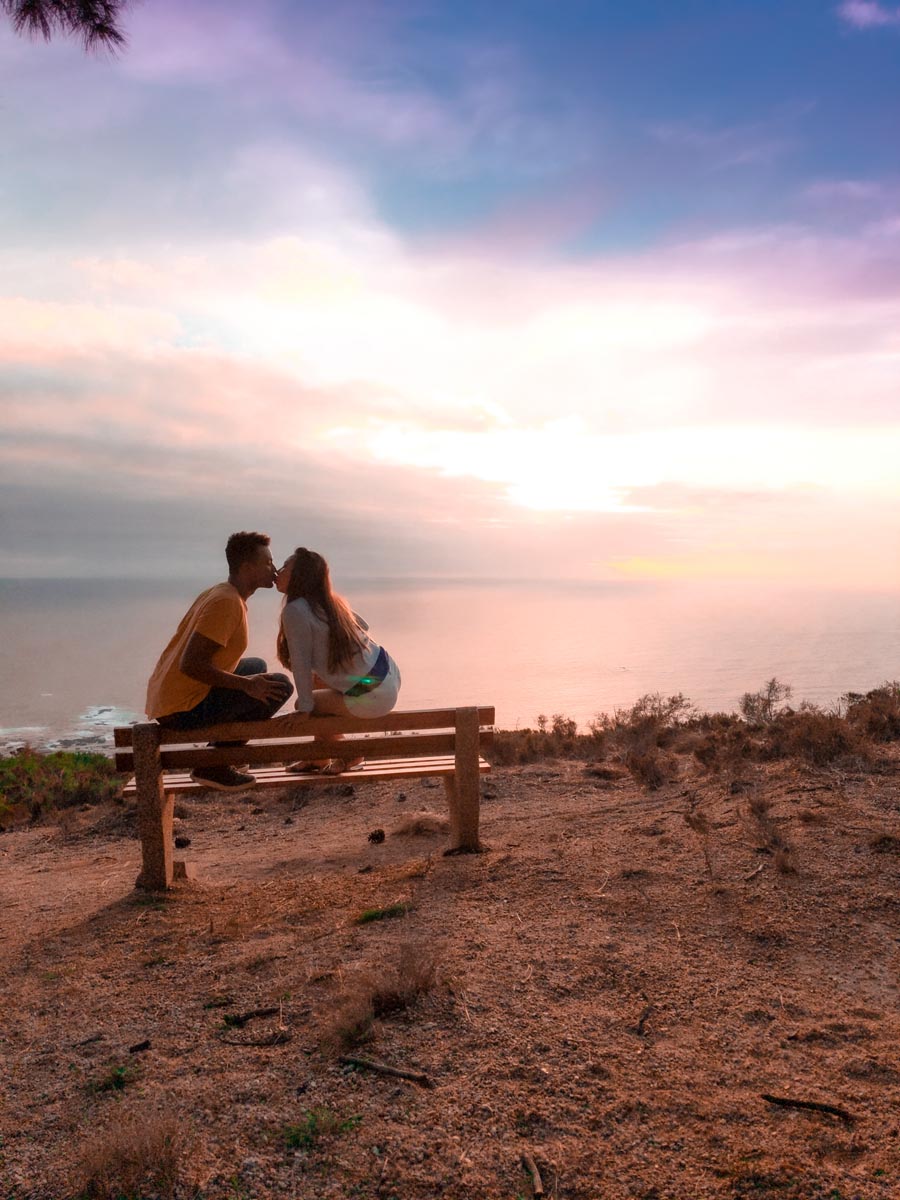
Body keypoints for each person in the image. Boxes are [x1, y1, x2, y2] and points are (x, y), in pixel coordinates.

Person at [145, 531, 293, 791]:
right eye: (267, 562)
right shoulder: (226, 603)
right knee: (279, 686)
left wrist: (247, 681)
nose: (273, 568)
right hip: (181, 711)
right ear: (247, 568)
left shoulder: (223, 593)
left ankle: (216, 755)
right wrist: (247, 686)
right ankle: (214, 764)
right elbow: (190, 664)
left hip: (168, 699)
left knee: (257, 667)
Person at [275, 547, 401, 774]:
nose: (278, 571)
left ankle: (349, 754)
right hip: (389, 675)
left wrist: (304, 709)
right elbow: (364, 626)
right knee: (315, 685)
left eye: (285, 567)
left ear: (299, 578)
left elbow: (301, 663)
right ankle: (319, 756)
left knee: (306, 704)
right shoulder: (332, 602)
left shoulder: (295, 610)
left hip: (372, 696)